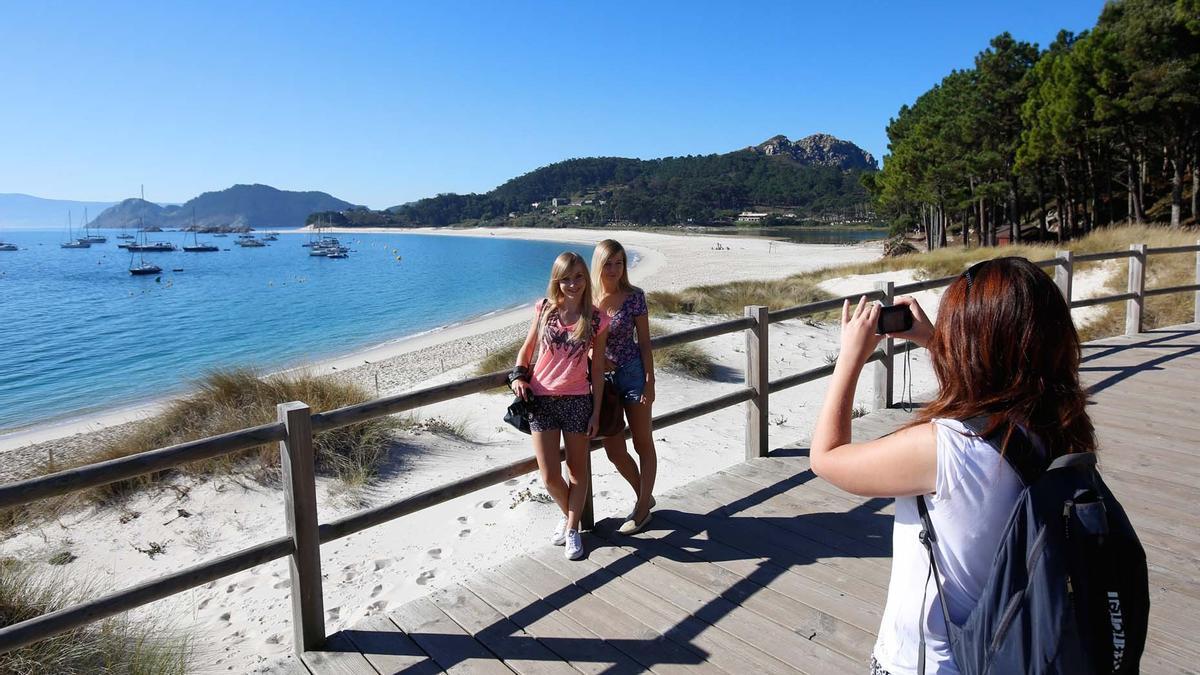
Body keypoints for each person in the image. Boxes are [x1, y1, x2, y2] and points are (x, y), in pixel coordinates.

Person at [809, 257, 1095, 675]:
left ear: (970, 341)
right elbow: (998, 379)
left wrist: (850, 358)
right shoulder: (1062, 423)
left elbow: (827, 458)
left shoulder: (949, 446)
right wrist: (933, 339)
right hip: (1017, 644)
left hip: (936, 660)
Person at [509, 251, 610, 560]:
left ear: (586, 278)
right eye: (566, 278)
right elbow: (527, 349)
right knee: (550, 476)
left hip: (578, 400)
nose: (572, 283)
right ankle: (571, 518)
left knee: (578, 473)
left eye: (578, 276)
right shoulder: (543, 309)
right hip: (540, 400)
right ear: (557, 280)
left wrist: (595, 410)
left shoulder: (596, 318)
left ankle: (571, 530)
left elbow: (597, 370)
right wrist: (517, 376)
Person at [591, 239, 657, 535]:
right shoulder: (587, 299)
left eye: (619, 262)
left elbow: (644, 341)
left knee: (643, 443)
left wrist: (649, 380)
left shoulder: (635, 297)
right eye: (608, 263)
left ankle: (642, 510)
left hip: (632, 374)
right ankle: (646, 494)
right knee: (614, 450)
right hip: (602, 383)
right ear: (598, 264)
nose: (615, 269)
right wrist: (595, 356)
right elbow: (578, 340)